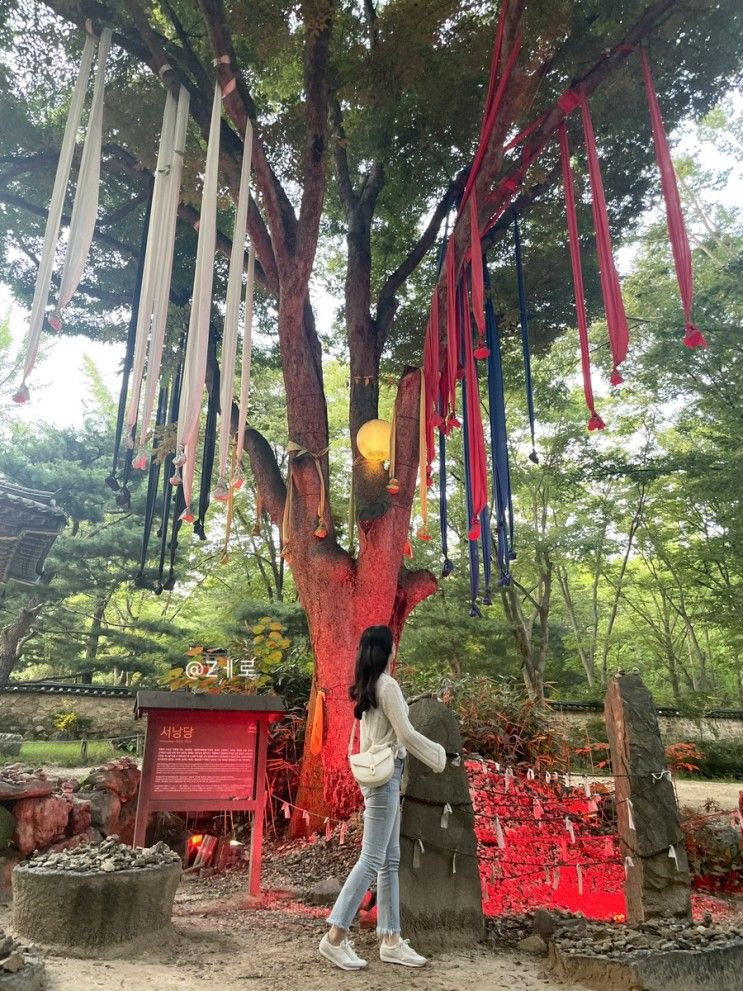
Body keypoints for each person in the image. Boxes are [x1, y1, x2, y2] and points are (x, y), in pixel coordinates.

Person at [319, 624, 450, 971]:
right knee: (373, 858)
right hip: (385, 779)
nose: (396, 649)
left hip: (379, 777)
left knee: (389, 860)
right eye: (393, 645)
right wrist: (437, 755)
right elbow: (405, 734)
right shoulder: (387, 686)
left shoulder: (370, 686)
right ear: (386, 650)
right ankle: (334, 936)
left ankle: (390, 938)